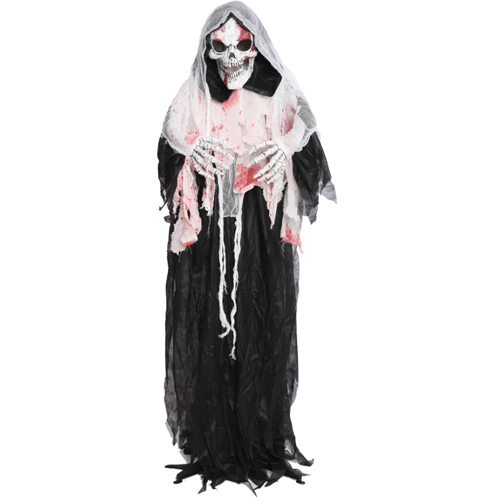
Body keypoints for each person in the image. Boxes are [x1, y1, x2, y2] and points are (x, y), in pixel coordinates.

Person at [157, 1, 336, 493]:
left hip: (259, 222)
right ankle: (217, 439)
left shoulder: (276, 90)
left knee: (262, 318)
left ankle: (258, 434)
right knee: (210, 325)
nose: (232, 58)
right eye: (221, 47)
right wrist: (190, 150)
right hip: (212, 226)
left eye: (241, 46)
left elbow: (306, 125)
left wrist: (286, 147)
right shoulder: (196, 91)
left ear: (255, 48)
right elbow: (170, 131)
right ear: (208, 50)